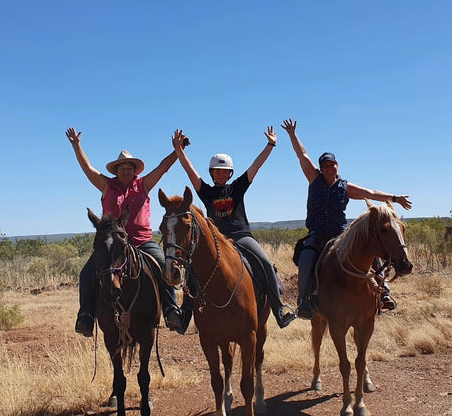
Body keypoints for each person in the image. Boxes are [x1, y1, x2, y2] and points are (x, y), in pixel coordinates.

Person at [66, 127, 192, 336]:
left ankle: (171, 310)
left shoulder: (144, 184)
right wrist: (76, 145)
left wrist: (177, 150)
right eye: (122, 168)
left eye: (129, 167)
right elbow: (87, 168)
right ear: (116, 170)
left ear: (135, 170)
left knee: (162, 265)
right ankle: (86, 316)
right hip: (113, 243)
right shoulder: (106, 185)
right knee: (87, 272)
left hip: (143, 241)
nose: (126, 171)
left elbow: (163, 168)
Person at [281, 119, 412, 319]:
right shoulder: (314, 179)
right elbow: (302, 155)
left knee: (373, 252)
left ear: (337, 166)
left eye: (332, 165)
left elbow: (371, 192)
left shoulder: (345, 187)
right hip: (318, 234)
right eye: (325, 165)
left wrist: (394, 198)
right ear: (321, 168)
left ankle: (384, 291)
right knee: (307, 258)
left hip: (341, 234)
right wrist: (292, 135)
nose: (329, 168)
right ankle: (304, 300)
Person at [172, 127, 296, 329]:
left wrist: (270, 145)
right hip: (216, 241)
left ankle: (279, 309)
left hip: (241, 237)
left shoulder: (237, 187)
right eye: (217, 171)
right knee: (193, 272)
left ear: (230, 173)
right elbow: (190, 171)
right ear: (212, 173)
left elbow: (256, 166)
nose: (220, 174)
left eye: (224, 171)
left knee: (264, 263)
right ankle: (184, 317)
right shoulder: (206, 192)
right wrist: (179, 150)